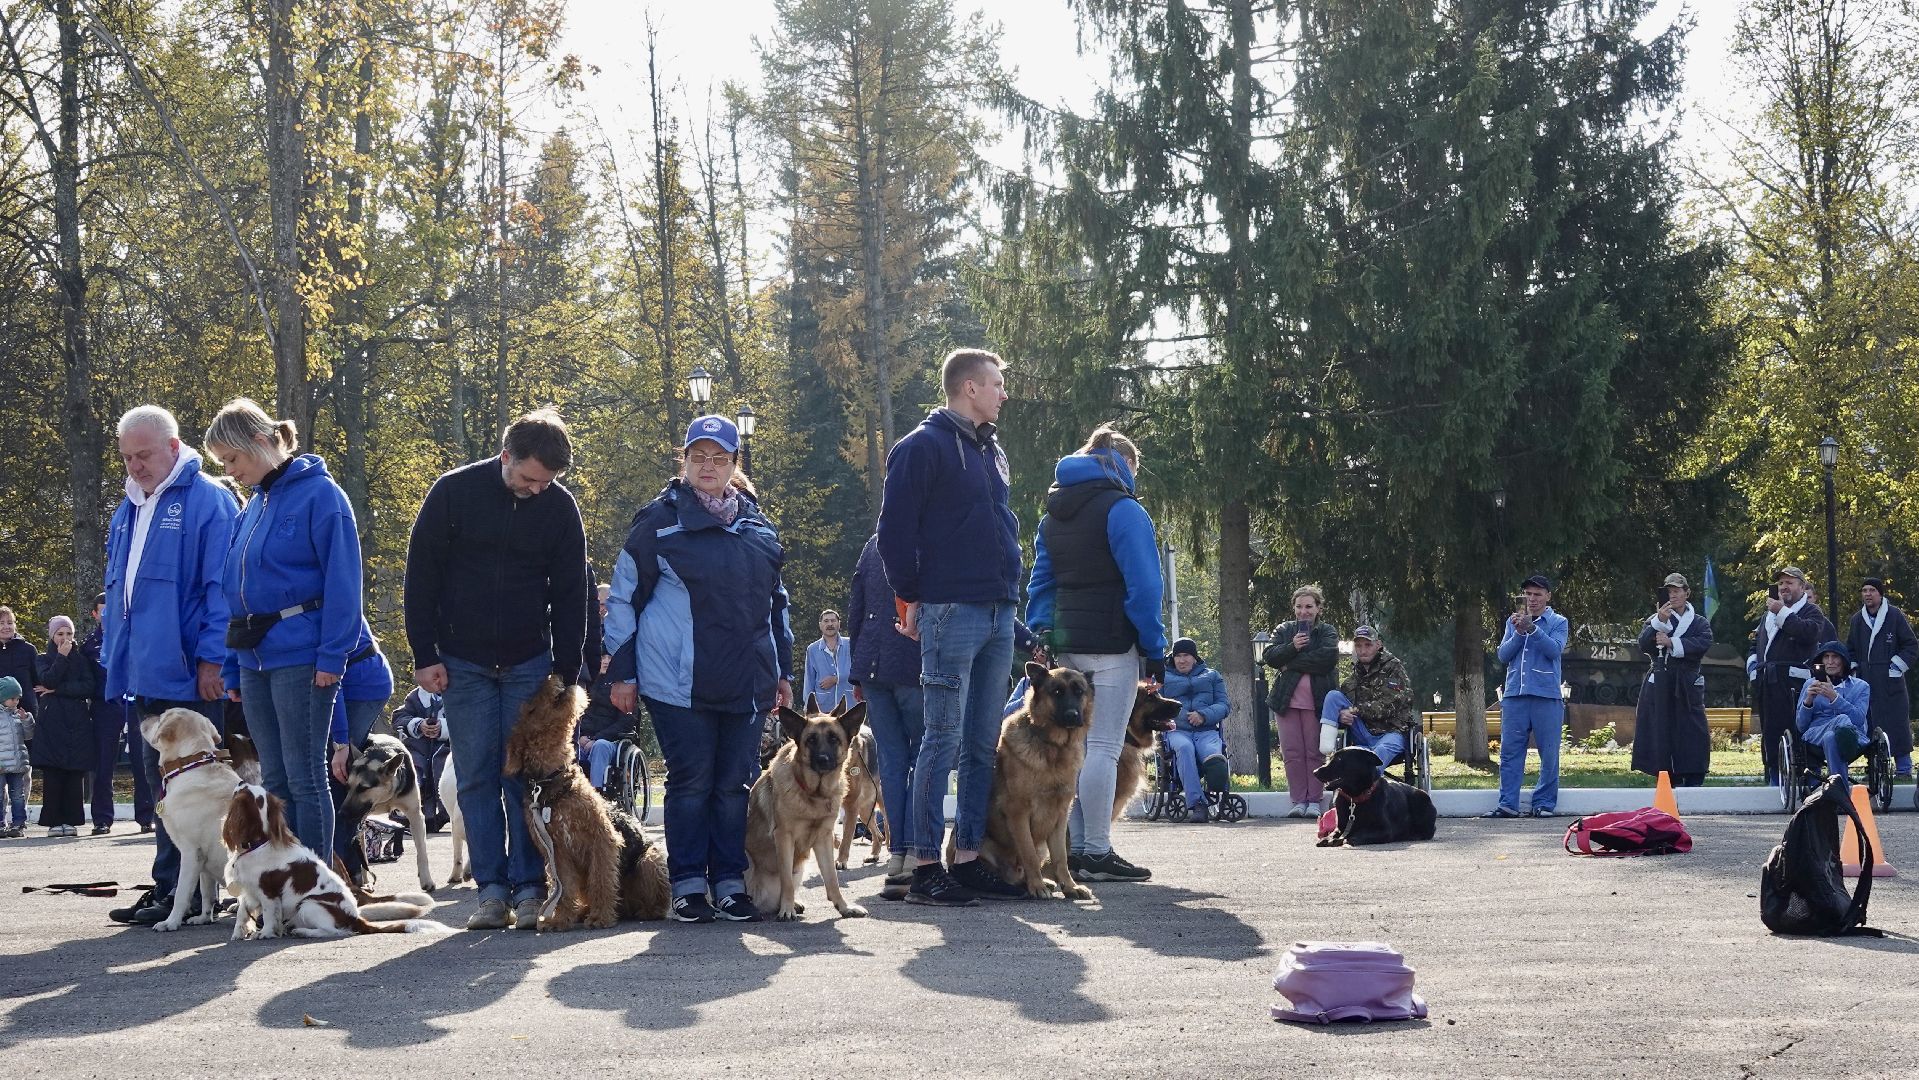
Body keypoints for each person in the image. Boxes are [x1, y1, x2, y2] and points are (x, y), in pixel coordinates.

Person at [606, 414, 793, 924]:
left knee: (735, 783)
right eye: (698, 457)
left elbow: (777, 603)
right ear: (683, 461)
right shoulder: (656, 523)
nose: (708, 466)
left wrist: (784, 671)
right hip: (676, 681)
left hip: (747, 679)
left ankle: (731, 883)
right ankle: (688, 886)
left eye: (720, 458)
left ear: (735, 465)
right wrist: (623, 674)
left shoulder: (758, 525)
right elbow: (622, 599)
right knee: (691, 783)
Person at [406, 408, 587, 931]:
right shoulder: (452, 493)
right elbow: (421, 578)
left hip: (531, 664)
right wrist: (424, 653)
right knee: (478, 776)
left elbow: (572, 594)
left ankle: (531, 887)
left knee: (526, 779)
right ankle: (490, 891)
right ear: (506, 456)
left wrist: (566, 673)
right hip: (463, 663)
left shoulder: (559, 508)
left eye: (547, 481)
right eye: (530, 477)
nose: (537, 489)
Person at [877, 348, 1026, 906]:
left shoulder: (991, 451)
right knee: (940, 740)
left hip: (998, 608)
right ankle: (921, 867)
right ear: (968, 388)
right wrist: (913, 595)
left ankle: (965, 859)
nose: (1003, 393)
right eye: (996, 384)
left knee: (981, 743)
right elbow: (893, 531)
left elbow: (1000, 524)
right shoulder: (921, 447)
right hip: (949, 609)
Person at [205, 398, 374, 866]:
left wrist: (332, 657)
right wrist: (231, 666)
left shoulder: (323, 497)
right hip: (254, 658)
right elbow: (234, 592)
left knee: (304, 776)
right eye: (224, 463)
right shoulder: (254, 503)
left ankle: (315, 883)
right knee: (273, 779)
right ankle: (283, 876)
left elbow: (344, 583)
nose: (231, 471)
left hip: (302, 654)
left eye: (232, 459)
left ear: (260, 441)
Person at [102, 405, 238, 926]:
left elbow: (220, 590)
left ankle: (188, 890)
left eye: (144, 455)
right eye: (127, 458)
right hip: (143, 672)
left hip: (188, 674)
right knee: (160, 787)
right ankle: (171, 886)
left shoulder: (210, 501)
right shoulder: (128, 508)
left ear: (174, 447)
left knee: (191, 789)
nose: (135, 466)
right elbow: (122, 594)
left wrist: (212, 659)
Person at [1026, 423, 1167, 881]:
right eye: (1135, 469)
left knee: (1078, 748)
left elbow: (1041, 579)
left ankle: (1075, 850)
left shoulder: (1053, 515)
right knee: (1104, 746)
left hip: (1067, 642)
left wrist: (1041, 631)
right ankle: (1096, 852)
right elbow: (1145, 585)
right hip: (1112, 641)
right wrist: (1153, 643)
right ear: (1123, 464)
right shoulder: (1124, 510)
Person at [846, 532, 925, 900]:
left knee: (893, 762)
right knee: (921, 759)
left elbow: (856, 609)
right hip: (913, 661)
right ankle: (915, 854)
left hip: (873, 664)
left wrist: (856, 673)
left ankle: (896, 857)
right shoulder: (930, 540)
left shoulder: (873, 543)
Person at [1486, 574, 1569, 818]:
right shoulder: (1513, 623)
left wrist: (1532, 628)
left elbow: (1554, 650)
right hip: (1515, 694)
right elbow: (1503, 655)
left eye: (1538, 594)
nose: (1532, 599)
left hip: (1546, 696)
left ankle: (1543, 803)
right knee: (1510, 752)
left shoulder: (1558, 621)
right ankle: (1508, 804)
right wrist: (1519, 632)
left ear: (1548, 596)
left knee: (1549, 752)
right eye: (1528, 595)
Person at [1749, 567, 1837, 785]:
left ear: (1801, 585)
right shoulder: (1767, 616)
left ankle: (1808, 777)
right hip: (1769, 682)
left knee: (1798, 730)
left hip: (1796, 684)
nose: (1784, 587)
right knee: (1771, 731)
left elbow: (1809, 633)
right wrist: (1753, 669)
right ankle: (1775, 777)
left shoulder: (1811, 611)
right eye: (1781, 584)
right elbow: (1758, 644)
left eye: (1789, 582)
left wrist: (1782, 613)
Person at [1263, 586, 1340, 817]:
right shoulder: (1284, 630)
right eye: (1299, 606)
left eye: (1309, 606)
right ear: (1294, 608)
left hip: (1317, 703)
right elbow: (1270, 657)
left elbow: (1327, 659)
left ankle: (1315, 801)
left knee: (1315, 752)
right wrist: (1292, 647)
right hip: (1286, 703)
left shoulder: (1327, 631)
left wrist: (1291, 663)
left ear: (1318, 609)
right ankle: (1298, 800)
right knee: (1292, 752)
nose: (1303, 611)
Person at [1631, 574, 1713, 786]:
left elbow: (1703, 643)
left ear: (1687, 593)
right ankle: (1665, 775)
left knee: (1693, 729)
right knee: (1660, 729)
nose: (1673, 595)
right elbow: (1644, 645)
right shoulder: (1656, 619)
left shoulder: (1699, 622)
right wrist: (1659, 624)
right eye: (1669, 591)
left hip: (1686, 682)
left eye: (1677, 591)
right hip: (1660, 681)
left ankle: (1694, 773)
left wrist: (1671, 642)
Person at [83, 593, 151, 835]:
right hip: (105, 708)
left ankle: (146, 816)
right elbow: (85, 679)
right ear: (94, 614)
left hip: (133, 706)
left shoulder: (132, 636)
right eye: (102, 610)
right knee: (103, 766)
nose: (107, 615)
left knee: (142, 763)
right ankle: (102, 819)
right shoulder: (89, 645)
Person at [1317, 625, 1417, 777]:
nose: (1363, 650)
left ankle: (1367, 783)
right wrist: (1341, 717)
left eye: (1368, 645)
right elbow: (1344, 709)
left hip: (1391, 732)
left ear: (1378, 645)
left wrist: (1353, 710)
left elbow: (1389, 705)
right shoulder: (1353, 678)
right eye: (1358, 645)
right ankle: (1327, 749)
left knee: (1380, 752)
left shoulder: (1393, 668)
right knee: (1333, 696)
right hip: (1362, 732)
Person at [1848, 578, 1917, 778]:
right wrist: (1853, 669)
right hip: (1866, 681)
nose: (1867, 594)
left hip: (1890, 681)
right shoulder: (1857, 620)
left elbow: (1911, 645)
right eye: (1864, 590)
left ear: (1880, 593)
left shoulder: (1894, 616)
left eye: (1872, 590)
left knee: (1897, 723)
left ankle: (1904, 768)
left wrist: (1896, 666)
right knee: (1869, 722)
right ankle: (1875, 767)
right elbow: (1850, 649)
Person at [32, 615, 95, 836]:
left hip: (77, 721)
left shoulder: (82, 660)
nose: (65, 638)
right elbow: (47, 680)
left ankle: (71, 820)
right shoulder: (42, 659)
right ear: (52, 636)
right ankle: (53, 821)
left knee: (73, 772)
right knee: (54, 772)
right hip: (52, 721)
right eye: (60, 634)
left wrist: (58, 690)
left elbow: (88, 686)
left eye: (68, 634)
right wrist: (61, 658)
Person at [1160, 638, 1229, 823]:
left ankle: (1216, 781)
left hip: (1206, 729)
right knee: (1184, 748)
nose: (1182, 660)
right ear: (1173, 658)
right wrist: (1182, 717)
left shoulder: (1212, 676)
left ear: (1194, 657)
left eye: (1186, 655)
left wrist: (1203, 715)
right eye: (1178, 656)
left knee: (1212, 753)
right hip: (1176, 730)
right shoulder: (1163, 677)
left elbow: (1224, 705)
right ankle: (1198, 803)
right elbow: (1156, 707)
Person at [1795, 642, 1871, 786]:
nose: (1830, 662)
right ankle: (1845, 741)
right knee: (1842, 721)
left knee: (1831, 737)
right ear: (1821, 661)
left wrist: (1834, 698)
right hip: (1816, 732)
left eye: (1835, 657)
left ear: (1844, 661)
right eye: (1826, 657)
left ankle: (1839, 791)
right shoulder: (1810, 684)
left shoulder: (1861, 686)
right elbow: (1801, 726)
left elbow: (1859, 719)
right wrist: (1808, 701)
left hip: (1855, 735)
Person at [395, 685, 451, 830]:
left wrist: (443, 727)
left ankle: (445, 811)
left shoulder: (461, 693)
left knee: (443, 766)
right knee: (412, 767)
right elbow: (399, 717)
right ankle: (405, 806)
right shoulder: (416, 696)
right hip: (419, 746)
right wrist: (419, 724)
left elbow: (470, 719)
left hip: (448, 746)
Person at [803, 610, 854, 713]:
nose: (830, 624)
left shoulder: (851, 644)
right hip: (824, 707)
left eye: (833, 620)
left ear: (839, 623)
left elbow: (859, 671)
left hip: (849, 704)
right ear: (820, 625)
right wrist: (807, 705)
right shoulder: (812, 649)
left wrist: (837, 679)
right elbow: (809, 680)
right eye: (826, 621)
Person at [0, 677, 31, 838]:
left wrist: (26, 720)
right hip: (1, 765)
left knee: (18, 795)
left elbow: (29, 735)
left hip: (18, 764)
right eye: (12, 698)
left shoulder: (18, 715)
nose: (16, 701)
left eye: (18, 698)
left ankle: (19, 823)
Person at [0, 606, 39, 719]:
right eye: (1, 623)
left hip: (27, 713)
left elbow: (37, 682)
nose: (6, 627)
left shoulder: (28, 650)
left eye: (10, 622)